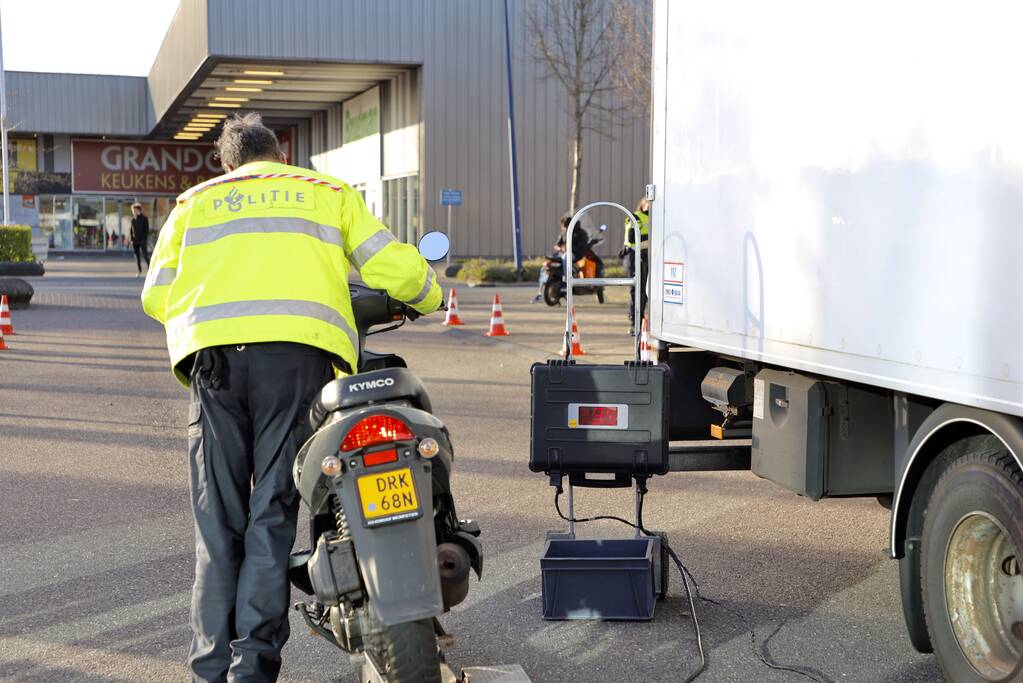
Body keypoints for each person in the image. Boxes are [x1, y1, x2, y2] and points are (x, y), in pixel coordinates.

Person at [140, 112, 442, 683]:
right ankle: (252, 667)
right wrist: (430, 292)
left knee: (218, 522)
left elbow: (157, 296)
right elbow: (387, 262)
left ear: (227, 164)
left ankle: (209, 668)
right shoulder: (323, 192)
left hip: (216, 368)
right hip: (299, 363)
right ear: (279, 157)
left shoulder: (193, 203)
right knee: (271, 514)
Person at [533, 214, 589, 303]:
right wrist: (560, 248)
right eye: (563, 227)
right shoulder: (564, 233)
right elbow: (557, 245)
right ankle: (540, 289)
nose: (564, 228)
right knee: (548, 259)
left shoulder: (581, 233)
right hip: (562, 254)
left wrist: (569, 248)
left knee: (566, 256)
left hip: (576, 254)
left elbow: (582, 247)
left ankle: (567, 279)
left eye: (565, 226)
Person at [620, 196, 650, 333]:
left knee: (645, 291)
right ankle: (634, 322)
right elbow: (632, 237)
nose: (651, 207)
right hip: (634, 255)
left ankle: (641, 319)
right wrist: (653, 235)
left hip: (646, 255)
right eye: (648, 204)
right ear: (642, 205)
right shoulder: (635, 217)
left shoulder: (655, 218)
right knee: (637, 290)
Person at [130, 203, 150, 275]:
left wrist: (144, 239)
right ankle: (139, 270)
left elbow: (146, 230)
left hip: (142, 241)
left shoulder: (144, 219)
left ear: (138, 210)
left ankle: (150, 269)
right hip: (135, 241)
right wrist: (132, 240)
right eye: (132, 211)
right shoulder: (133, 220)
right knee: (137, 257)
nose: (133, 212)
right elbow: (131, 231)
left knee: (145, 255)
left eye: (134, 210)